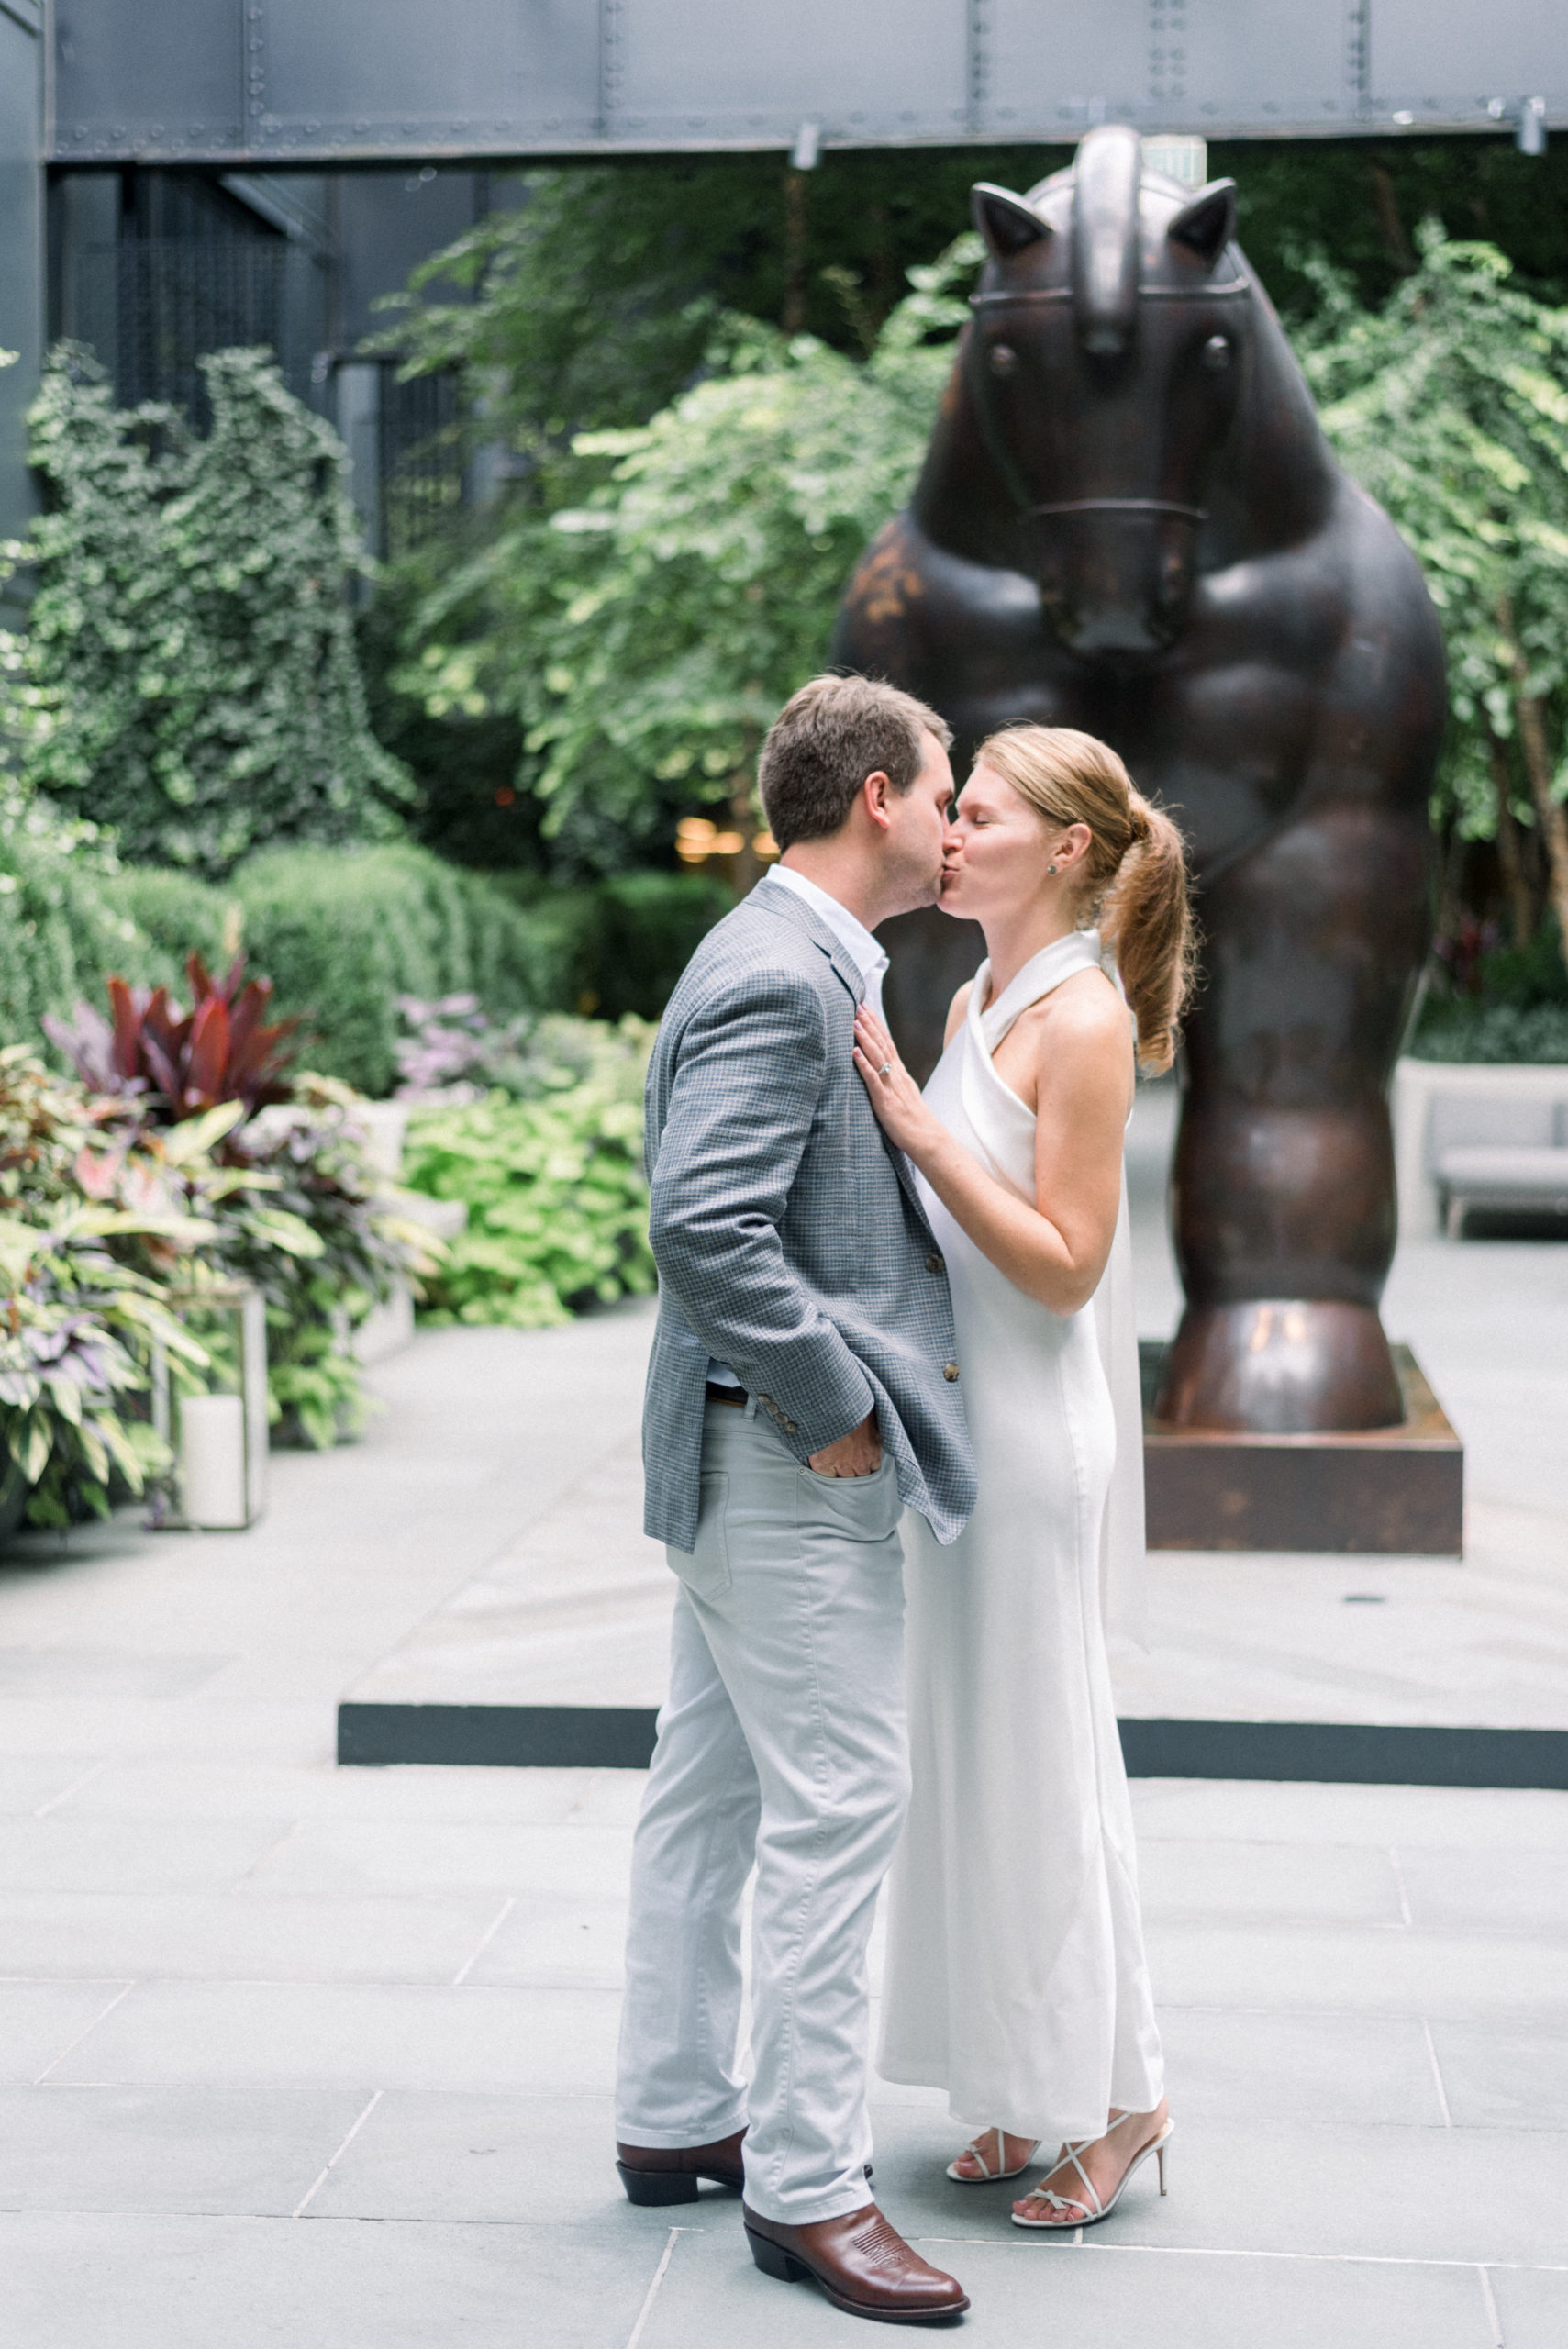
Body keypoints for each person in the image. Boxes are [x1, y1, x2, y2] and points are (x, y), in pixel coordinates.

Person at [615, 674, 978, 2322]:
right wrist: (834, 1414)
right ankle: (811, 2188)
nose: (954, 818)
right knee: (840, 1806)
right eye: (943, 789)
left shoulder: (785, 949)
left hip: (729, 1458)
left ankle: (676, 2108)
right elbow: (703, 1222)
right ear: (877, 797)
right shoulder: (781, 971)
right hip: (777, 1462)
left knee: (707, 1795)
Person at [852, 724, 1193, 2231]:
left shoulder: (1084, 1021)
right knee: (966, 1766)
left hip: (1032, 1442)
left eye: (975, 815)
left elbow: (1065, 1269)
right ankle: (1010, 2077)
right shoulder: (971, 994)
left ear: (1060, 847)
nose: (947, 834)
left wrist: (920, 1133)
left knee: (1042, 1766)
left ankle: (1124, 2099)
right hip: (952, 1430)